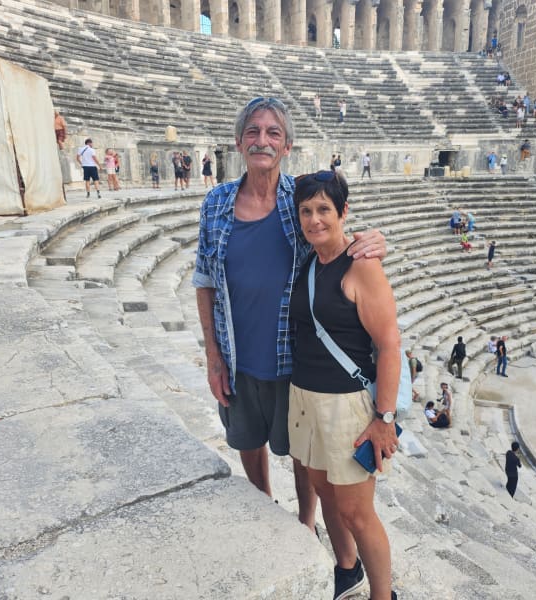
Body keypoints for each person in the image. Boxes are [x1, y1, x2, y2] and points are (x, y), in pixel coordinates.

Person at [192, 97, 386, 542]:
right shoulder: (216, 202)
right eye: (253, 131)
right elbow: (204, 281)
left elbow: (334, 240)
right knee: (247, 440)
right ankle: (263, 507)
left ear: (287, 146)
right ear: (239, 142)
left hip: (294, 359)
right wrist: (214, 357)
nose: (262, 140)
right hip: (236, 357)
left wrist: (374, 240)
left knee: (302, 453)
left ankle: (304, 522)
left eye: (273, 133)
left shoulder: (297, 201)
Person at [288, 169, 399, 600]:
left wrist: (384, 419)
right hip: (305, 398)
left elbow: (389, 345)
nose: (314, 219)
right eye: (306, 211)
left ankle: (383, 595)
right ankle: (347, 569)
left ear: (343, 211)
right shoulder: (311, 259)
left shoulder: (362, 266)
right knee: (324, 494)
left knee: (357, 513)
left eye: (324, 209)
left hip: (346, 406)